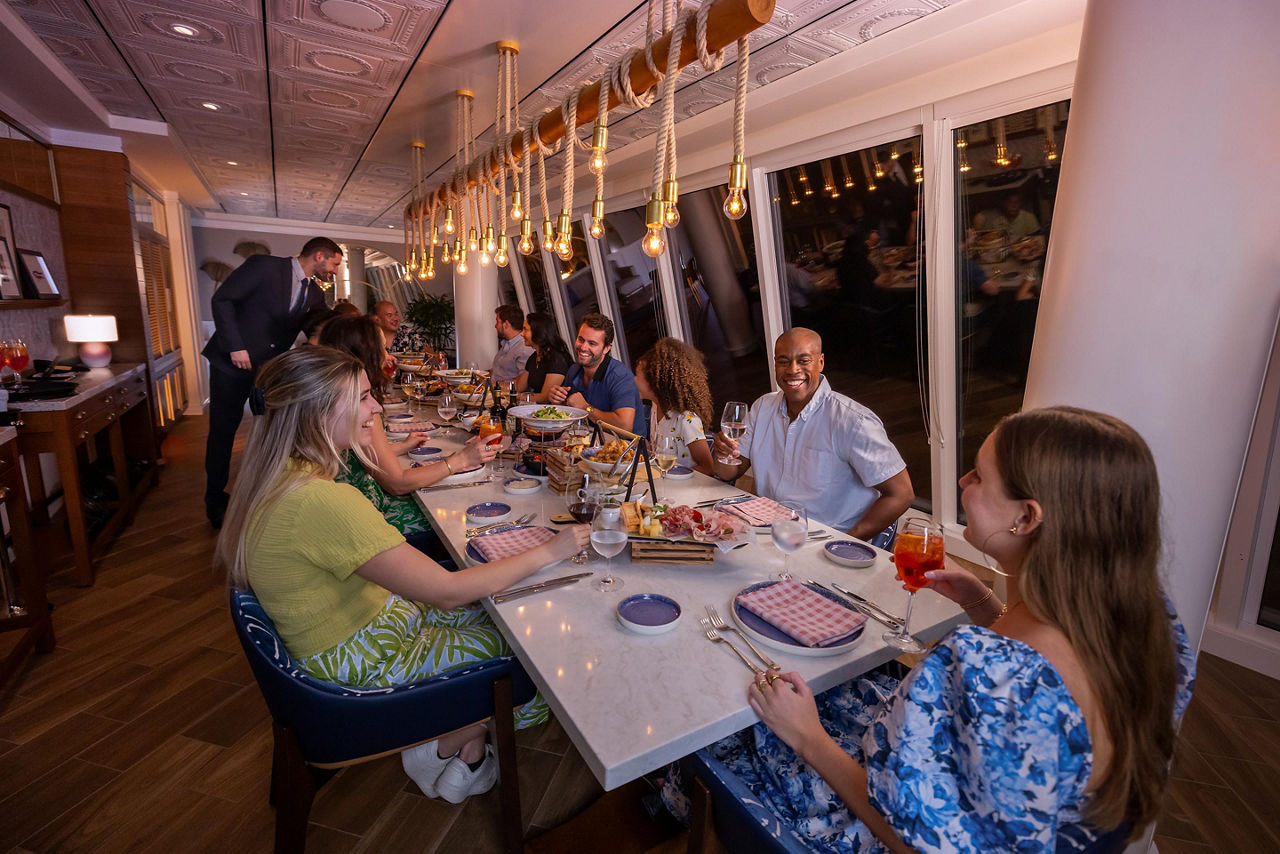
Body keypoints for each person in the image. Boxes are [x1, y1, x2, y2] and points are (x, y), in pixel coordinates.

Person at [673, 406, 1195, 851]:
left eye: (978, 476)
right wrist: (984, 602)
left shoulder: (990, 672)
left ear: (1027, 517)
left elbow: (912, 840)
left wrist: (807, 738)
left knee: (727, 722)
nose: (963, 483)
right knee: (840, 688)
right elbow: (1049, 688)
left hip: (872, 831)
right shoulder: (1153, 628)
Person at [215, 346, 588, 803]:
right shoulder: (320, 501)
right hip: (367, 664)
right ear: (319, 411)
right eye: (365, 397)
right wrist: (554, 548)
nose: (374, 410)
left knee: (504, 619)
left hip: (350, 641)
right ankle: (439, 742)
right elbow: (448, 592)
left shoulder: (281, 480)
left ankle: (468, 745)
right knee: (535, 652)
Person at [713, 328, 912, 545]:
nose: (793, 370)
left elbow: (902, 494)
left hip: (824, 541)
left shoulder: (853, 421)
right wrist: (722, 454)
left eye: (803, 360)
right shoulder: (763, 407)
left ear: (821, 362)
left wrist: (843, 543)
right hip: (768, 532)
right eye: (783, 361)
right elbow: (728, 473)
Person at [202, 236, 342, 529]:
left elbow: (321, 326)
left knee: (270, 431)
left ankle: (261, 495)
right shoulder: (264, 266)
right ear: (319, 256)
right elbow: (222, 299)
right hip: (231, 363)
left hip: (266, 372)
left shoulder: (313, 292)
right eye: (334, 263)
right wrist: (234, 346)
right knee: (223, 433)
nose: (335, 271)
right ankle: (214, 499)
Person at [317, 315, 497, 541]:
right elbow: (397, 483)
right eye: (382, 349)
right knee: (461, 516)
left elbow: (362, 456)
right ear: (367, 353)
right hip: (375, 518)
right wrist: (462, 459)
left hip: (358, 508)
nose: (389, 355)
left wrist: (401, 447)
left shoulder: (335, 407)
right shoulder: (356, 411)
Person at [550, 312, 647, 438]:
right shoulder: (574, 370)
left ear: (607, 348)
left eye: (592, 343)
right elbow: (569, 411)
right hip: (587, 442)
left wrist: (586, 408)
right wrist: (556, 401)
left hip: (626, 451)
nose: (583, 347)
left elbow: (624, 426)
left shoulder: (620, 376)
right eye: (581, 339)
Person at [633, 338, 714, 474]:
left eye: (637, 376)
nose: (633, 380)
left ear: (655, 383)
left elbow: (708, 468)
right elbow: (663, 453)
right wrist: (649, 451)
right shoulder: (655, 408)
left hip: (685, 489)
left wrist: (673, 475)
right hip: (664, 484)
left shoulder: (686, 420)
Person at [515, 312, 571, 403]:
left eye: (525, 329)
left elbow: (545, 397)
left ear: (538, 331)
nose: (522, 334)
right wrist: (496, 386)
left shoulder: (556, 359)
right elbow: (519, 386)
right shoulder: (534, 357)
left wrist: (516, 396)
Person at [491, 304, 535, 384]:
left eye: (497, 322)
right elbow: (499, 373)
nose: (495, 326)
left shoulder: (524, 348)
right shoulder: (506, 343)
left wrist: (497, 385)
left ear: (506, 325)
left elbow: (525, 381)